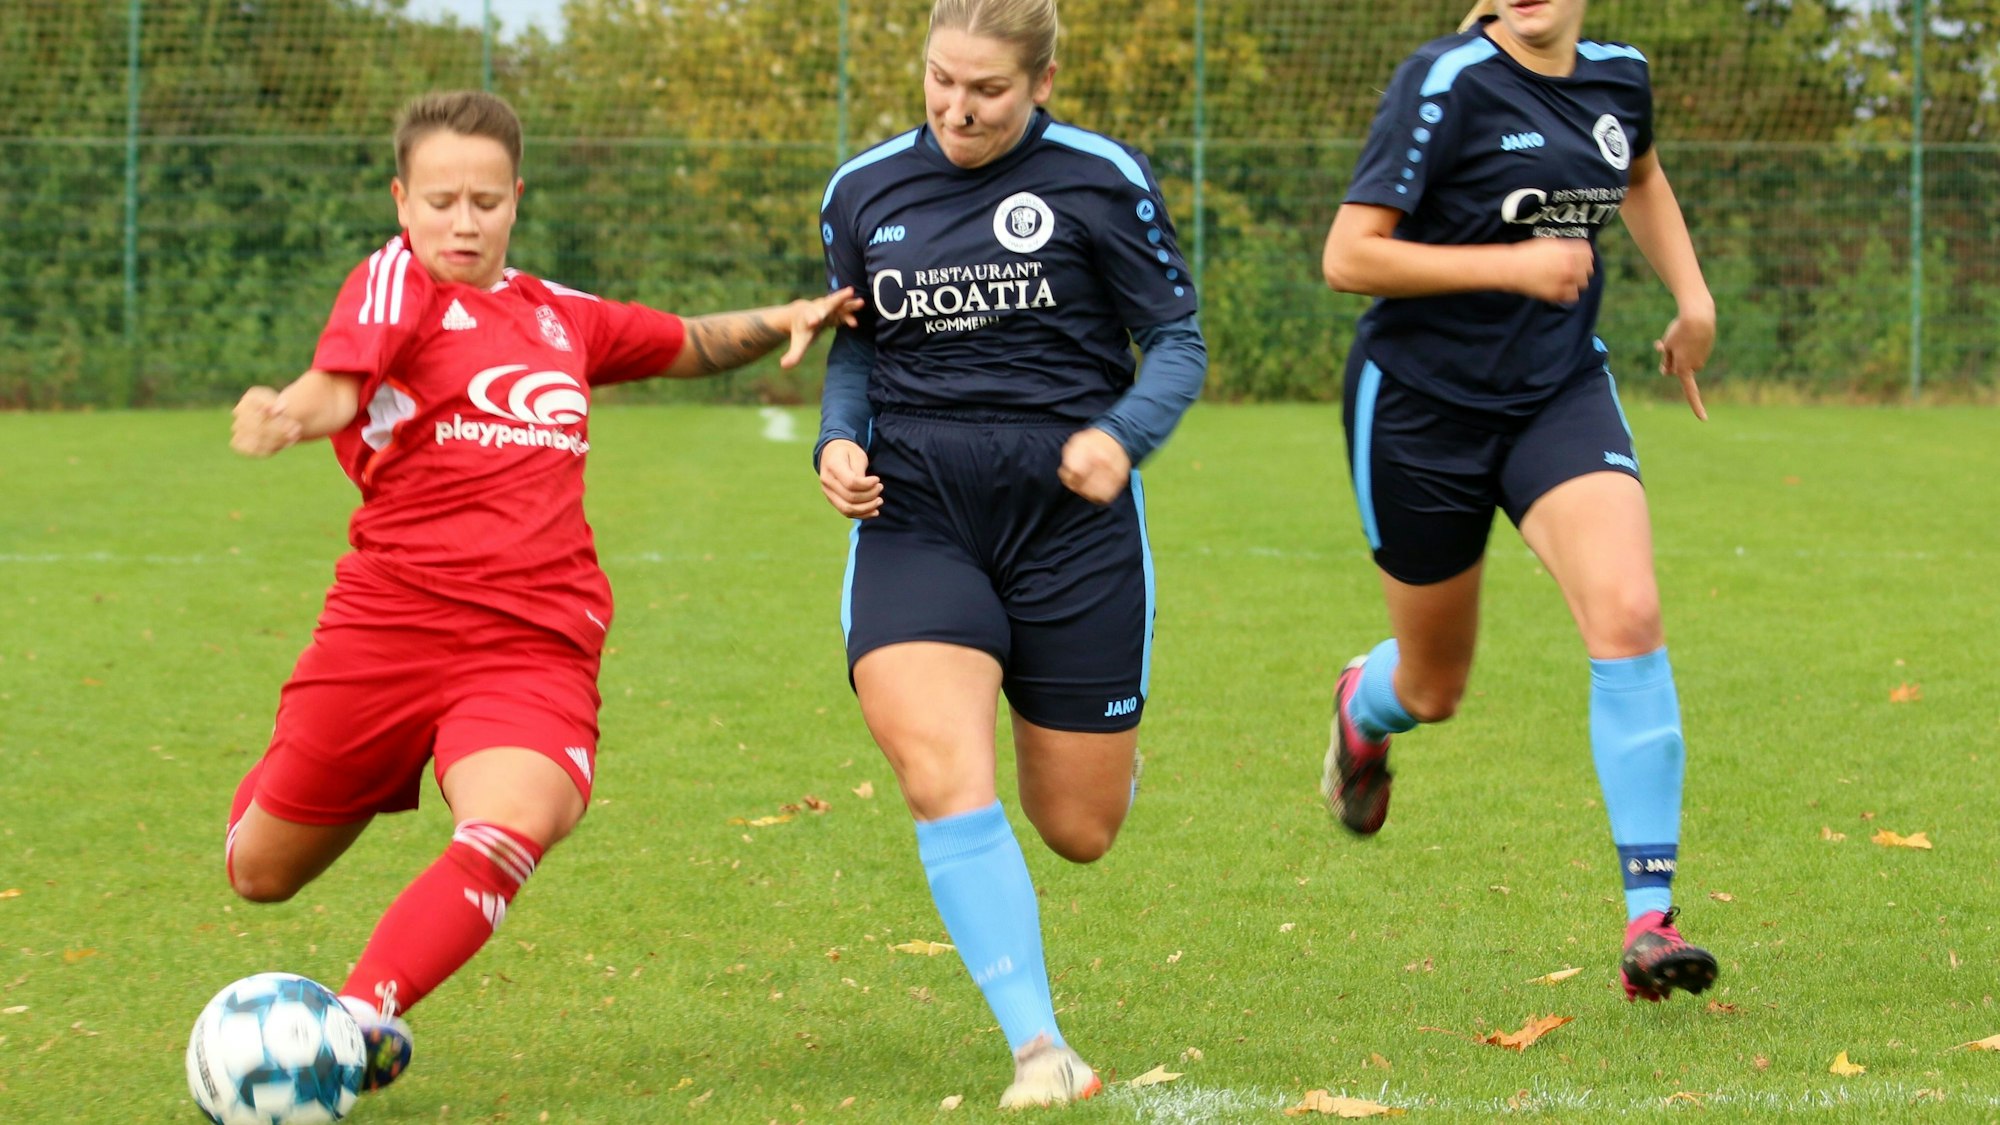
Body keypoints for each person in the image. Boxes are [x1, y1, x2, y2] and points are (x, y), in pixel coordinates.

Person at [224, 89, 859, 1094]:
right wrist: (289, 415)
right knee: (259, 872)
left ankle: (355, 1021)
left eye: (483, 200)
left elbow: (682, 341)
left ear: (516, 199)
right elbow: (339, 385)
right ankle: (351, 769)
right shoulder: (391, 286)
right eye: (439, 201)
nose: (461, 222)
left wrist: (783, 317)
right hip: (388, 629)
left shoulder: (555, 316)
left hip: (535, 641)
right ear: (402, 200)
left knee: (516, 817)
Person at [814, 0, 1207, 1105]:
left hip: (1067, 514)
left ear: (1041, 80)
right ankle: (1040, 1050)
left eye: (985, 90)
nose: (955, 108)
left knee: (1078, 830)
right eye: (940, 81)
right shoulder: (862, 191)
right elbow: (857, 355)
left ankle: (1098, 742)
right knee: (940, 771)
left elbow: (1174, 342)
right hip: (915, 505)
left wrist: (1119, 439)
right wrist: (836, 439)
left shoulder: (1096, 176)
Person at [1318, 0, 1720, 1003]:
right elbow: (1347, 256)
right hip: (1417, 411)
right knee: (1432, 687)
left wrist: (1692, 298)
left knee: (1626, 612)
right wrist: (1508, 265)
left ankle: (1647, 921)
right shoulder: (1441, 81)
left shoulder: (1618, 75)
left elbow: (1636, 174)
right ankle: (1362, 710)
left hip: (1554, 392)